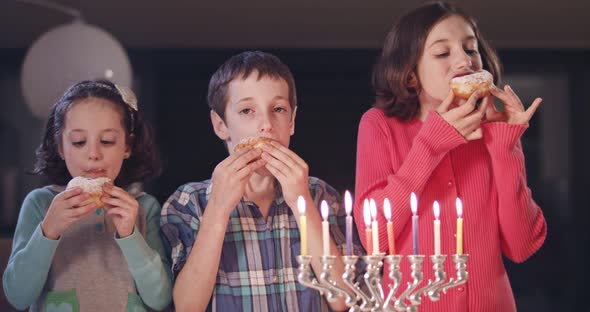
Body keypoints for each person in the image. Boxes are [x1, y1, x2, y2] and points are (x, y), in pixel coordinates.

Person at [353, 2, 547, 311]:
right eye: (443, 53)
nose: (464, 61)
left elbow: (522, 246)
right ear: (410, 74)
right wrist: (432, 143)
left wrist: (505, 146)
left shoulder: (495, 130)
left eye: (471, 50)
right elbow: (374, 238)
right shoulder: (378, 125)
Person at [161, 50, 363, 312]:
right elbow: (188, 306)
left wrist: (302, 204)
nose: (266, 124)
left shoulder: (320, 194)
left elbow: (343, 299)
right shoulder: (188, 201)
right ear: (220, 124)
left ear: (291, 121)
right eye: (247, 111)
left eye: (278, 109)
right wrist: (219, 210)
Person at [2, 80, 172, 311]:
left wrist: (131, 235)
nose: (93, 153)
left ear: (127, 146)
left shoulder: (144, 207)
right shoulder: (40, 204)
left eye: (107, 141)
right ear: (60, 146)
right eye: (79, 142)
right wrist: (48, 231)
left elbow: (160, 299)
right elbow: (18, 296)